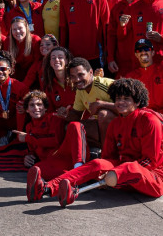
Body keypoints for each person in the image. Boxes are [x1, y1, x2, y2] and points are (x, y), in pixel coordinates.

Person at [30, 78, 163, 207]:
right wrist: (106, 172)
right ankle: (46, 188)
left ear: (138, 102)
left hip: (152, 177)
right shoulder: (115, 124)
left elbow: (150, 161)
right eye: (118, 98)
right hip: (121, 174)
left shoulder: (149, 121)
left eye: (126, 99)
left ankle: (74, 192)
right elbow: (108, 158)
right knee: (97, 163)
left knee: (130, 167)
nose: (120, 102)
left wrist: (118, 172)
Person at [18, 90, 87, 198]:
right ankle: (74, 180)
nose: (36, 108)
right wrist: (28, 155)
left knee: (75, 125)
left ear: (45, 108)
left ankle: (79, 168)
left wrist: (27, 138)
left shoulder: (54, 118)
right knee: (35, 169)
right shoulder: (28, 127)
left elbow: (54, 140)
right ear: (27, 109)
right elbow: (33, 149)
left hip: (66, 155)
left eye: (39, 104)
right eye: (32, 105)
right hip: (52, 162)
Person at [57, 57, 116, 149]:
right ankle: (96, 151)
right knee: (71, 127)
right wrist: (66, 114)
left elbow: (130, 108)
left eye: (81, 75)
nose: (77, 79)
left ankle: (108, 152)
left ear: (91, 72)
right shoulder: (81, 90)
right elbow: (76, 114)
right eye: (73, 76)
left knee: (103, 114)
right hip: (104, 129)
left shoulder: (107, 85)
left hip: (124, 126)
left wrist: (101, 104)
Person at [59, 0, 110, 70]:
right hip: (74, 55)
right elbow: (63, 28)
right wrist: (63, 52)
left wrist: (107, 50)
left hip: (96, 54)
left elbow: (106, 25)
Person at [106, 0, 140, 77]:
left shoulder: (143, 5)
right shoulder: (116, 9)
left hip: (141, 61)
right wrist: (110, 59)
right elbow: (111, 36)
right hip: (122, 64)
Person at [126, 39, 163, 113]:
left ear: (152, 52)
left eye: (146, 49)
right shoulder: (131, 77)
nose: (143, 52)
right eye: (139, 50)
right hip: (142, 116)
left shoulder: (161, 70)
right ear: (136, 55)